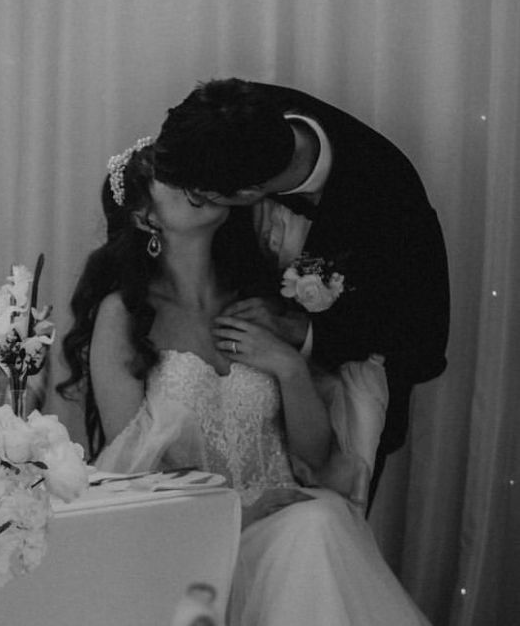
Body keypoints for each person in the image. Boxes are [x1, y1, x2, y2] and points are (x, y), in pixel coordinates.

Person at [57, 138, 431, 626]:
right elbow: (131, 476)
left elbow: (317, 457)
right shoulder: (124, 316)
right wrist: (237, 509)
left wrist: (288, 366)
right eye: (171, 177)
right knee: (317, 526)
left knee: (320, 520)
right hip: (195, 539)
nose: (195, 183)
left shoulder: (257, 297)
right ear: (146, 217)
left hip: (288, 515)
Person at [154, 79, 450, 502]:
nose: (188, 201)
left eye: (199, 197)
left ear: (248, 194)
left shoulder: (389, 192)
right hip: (232, 388)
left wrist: (303, 332)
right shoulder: (230, 120)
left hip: (347, 378)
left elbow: (419, 335)